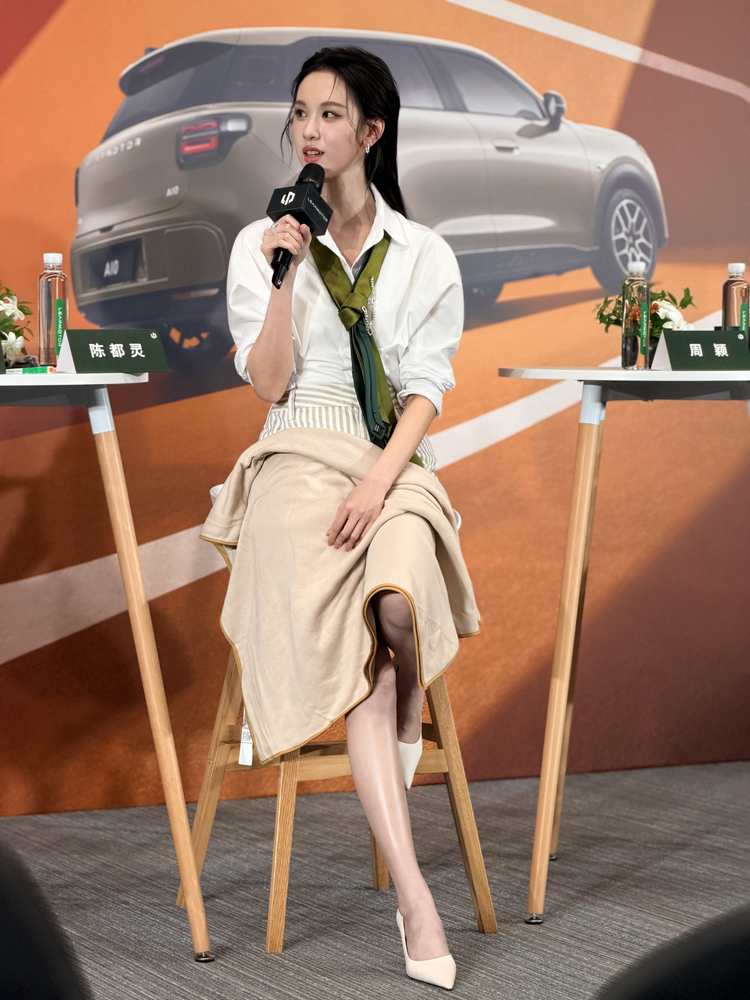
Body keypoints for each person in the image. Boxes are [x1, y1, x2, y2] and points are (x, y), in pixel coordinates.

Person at [207, 45, 480, 990]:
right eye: (300, 113)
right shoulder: (261, 244)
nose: (310, 131)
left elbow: (426, 392)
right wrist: (285, 272)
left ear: (371, 131)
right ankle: (417, 900)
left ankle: (405, 704)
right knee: (373, 644)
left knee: (396, 603)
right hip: (295, 452)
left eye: (330, 114)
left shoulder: (424, 253)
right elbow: (267, 383)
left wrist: (378, 485)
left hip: (390, 459)